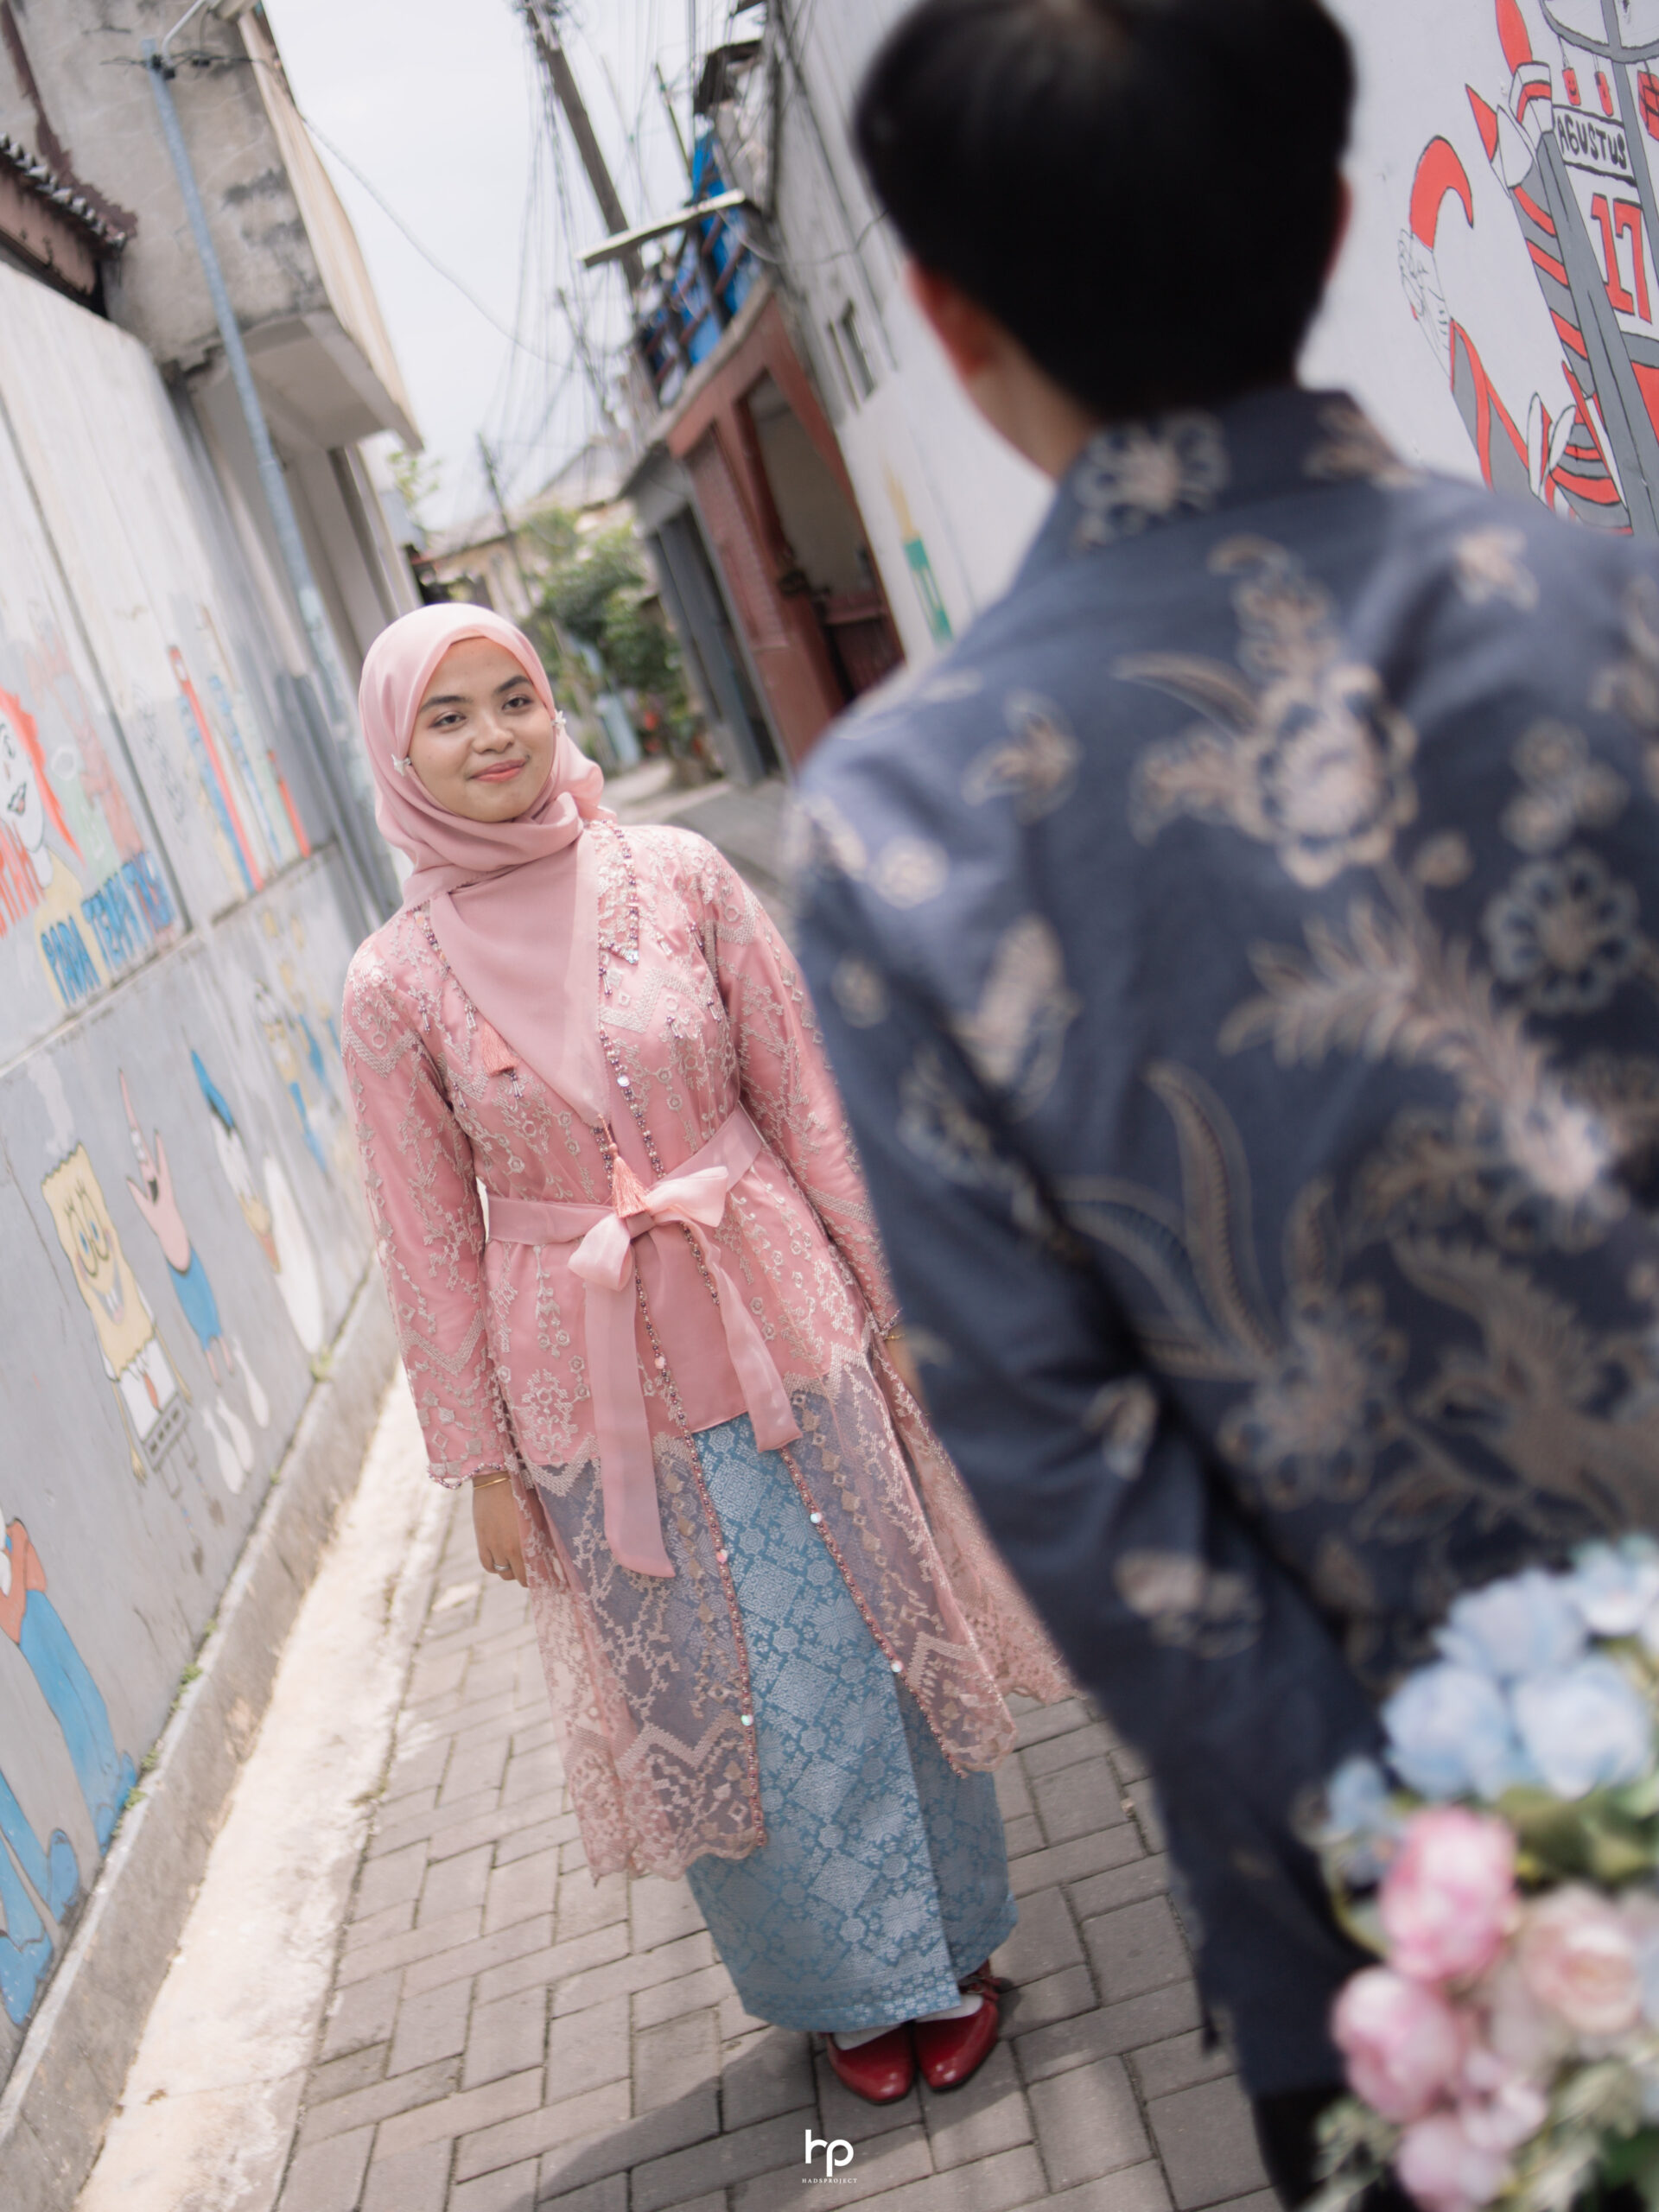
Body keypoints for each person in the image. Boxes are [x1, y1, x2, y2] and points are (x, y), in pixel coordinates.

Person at [791, 0, 1659, 2196]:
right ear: (1337, 220)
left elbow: (1059, 1453)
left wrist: (1456, 1858)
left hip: (1405, 1948)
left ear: (947, 316)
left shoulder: (915, 821)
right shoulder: (1615, 608)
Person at [341, 603, 1069, 2104]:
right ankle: (844, 1995)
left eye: (512, 698)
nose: (493, 737)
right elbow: (426, 1239)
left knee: (877, 1641)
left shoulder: (678, 874)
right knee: (720, 1700)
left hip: (784, 1319)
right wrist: (481, 1467)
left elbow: (810, 1098)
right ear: (397, 755)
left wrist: (899, 1303)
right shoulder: (389, 986)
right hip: (592, 1398)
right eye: (447, 718)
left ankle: (952, 1954)